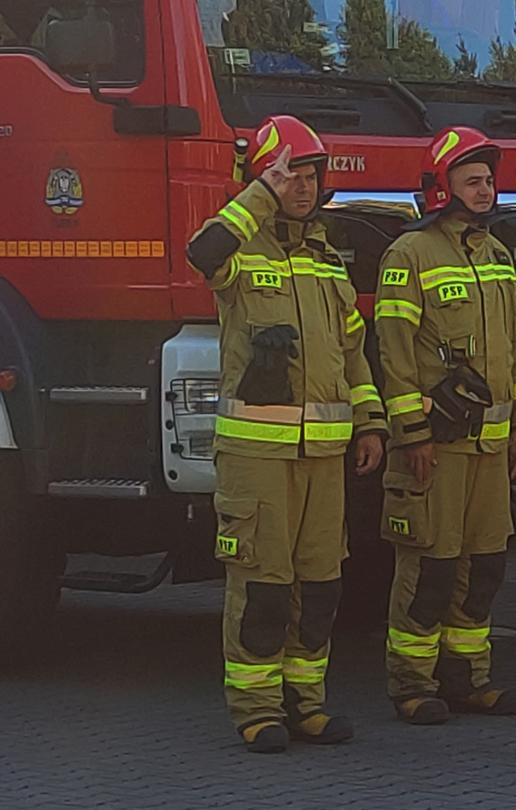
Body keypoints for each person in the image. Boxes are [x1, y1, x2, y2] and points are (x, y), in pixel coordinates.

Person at [184, 115, 385, 752]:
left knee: (320, 586)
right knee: (263, 587)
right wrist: (258, 194)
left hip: (323, 457)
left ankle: (308, 703)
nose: (303, 185)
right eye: (290, 173)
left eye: (310, 173)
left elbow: (354, 354)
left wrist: (371, 422)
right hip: (257, 459)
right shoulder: (239, 253)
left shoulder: (329, 263)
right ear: (265, 180)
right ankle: (257, 709)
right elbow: (202, 250)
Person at [375, 126, 516, 724]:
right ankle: (412, 685)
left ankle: (468, 678)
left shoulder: (496, 256)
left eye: (489, 181)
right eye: (472, 181)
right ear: (443, 188)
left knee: (485, 566)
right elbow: (392, 356)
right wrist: (412, 435)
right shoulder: (408, 255)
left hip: (492, 448)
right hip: (436, 448)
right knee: (430, 568)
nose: (485, 191)